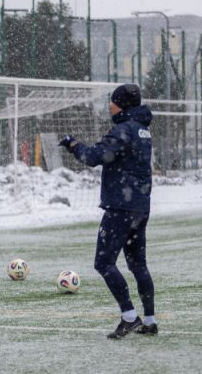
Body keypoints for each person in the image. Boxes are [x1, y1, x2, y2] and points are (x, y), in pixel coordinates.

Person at [59, 83, 157, 339]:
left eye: (112, 102)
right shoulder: (143, 130)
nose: (109, 106)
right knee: (138, 265)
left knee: (103, 263)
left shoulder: (124, 131)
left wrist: (73, 145)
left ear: (122, 105)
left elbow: (93, 157)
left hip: (120, 207)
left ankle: (129, 317)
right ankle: (149, 320)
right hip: (140, 207)